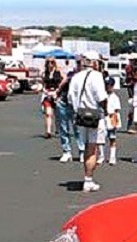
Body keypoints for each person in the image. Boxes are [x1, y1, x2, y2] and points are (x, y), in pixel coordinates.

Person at [67, 51, 108, 192]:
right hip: (94, 114)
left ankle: (87, 177)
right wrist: (106, 110)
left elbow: (70, 97)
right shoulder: (96, 76)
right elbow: (101, 97)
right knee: (92, 148)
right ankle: (88, 179)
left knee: (85, 147)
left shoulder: (76, 76)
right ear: (95, 62)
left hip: (80, 115)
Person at [57, 63, 85, 162]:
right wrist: (57, 93)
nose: (79, 65)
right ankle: (66, 152)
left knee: (77, 129)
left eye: (80, 63)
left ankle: (82, 151)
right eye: (78, 63)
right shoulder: (71, 74)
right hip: (63, 102)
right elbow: (62, 85)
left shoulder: (86, 77)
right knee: (63, 128)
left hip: (76, 105)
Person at [41, 57, 63, 138]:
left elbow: (65, 79)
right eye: (48, 62)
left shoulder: (58, 72)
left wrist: (58, 89)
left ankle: (58, 129)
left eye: (52, 62)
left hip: (57, 95)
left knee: (58, 114)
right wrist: (45, 91)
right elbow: (43, 84)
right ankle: (48, 131)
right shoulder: (44, 73)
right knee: (48, 113)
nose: (50, 64)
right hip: (47, 95)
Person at [103, 77, 121, 166]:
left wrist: (115, 121)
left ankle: (112, 157)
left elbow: (116, 111)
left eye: (109, 85)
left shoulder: (115, 97)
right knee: (101, 138)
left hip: (111, 118)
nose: (107, 87)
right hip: (103, 118)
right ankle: (101, 156)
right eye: (106, 85)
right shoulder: (103, 95)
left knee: (112, 138)